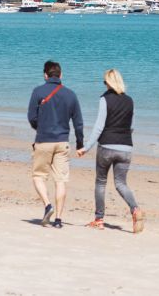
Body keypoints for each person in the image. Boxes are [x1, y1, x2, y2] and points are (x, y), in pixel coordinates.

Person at [76, 68, 144, 233]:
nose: (104, 85)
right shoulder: (130, 101)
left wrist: (86, 147)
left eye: (105, 82)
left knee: (101, 182)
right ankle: (135, 209)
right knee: (121, 184)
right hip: (126, 147)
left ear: (109, 83)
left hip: (106, 146)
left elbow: (99, 127)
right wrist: (123, 137)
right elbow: (132, 126)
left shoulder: (104, 99)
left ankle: (99, 219)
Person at [27, 60, 83, 229]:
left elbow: (32, 117)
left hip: (44, 140)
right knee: (60, 181)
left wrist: (41, 128)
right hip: (62, 142)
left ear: (45, 75)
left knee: (38, 176)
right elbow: (78, 122)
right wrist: (80, 143)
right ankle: (58, 219)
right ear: (61, 75)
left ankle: (47, 205)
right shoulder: (71, 95)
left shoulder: (38, 91)